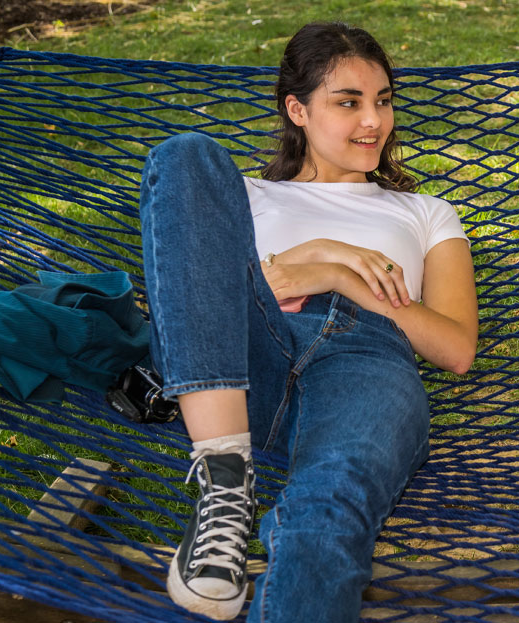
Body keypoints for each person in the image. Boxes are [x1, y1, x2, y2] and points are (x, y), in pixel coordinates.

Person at [139, 22, 478, 622]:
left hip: (366, 361)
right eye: (348, 102)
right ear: (297, 109)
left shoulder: (426, 213)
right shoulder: (239, 194)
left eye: (383, 101)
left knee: (330, 508)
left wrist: (344, 281)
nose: (372, 121)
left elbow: (454, 348)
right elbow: (192, 305)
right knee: (186, 153)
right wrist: (315, 255)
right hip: (241, 372)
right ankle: (224, 484)